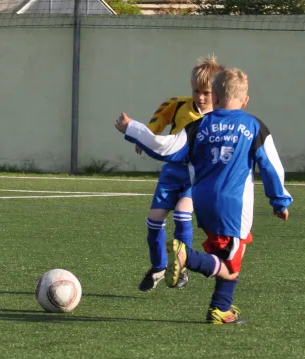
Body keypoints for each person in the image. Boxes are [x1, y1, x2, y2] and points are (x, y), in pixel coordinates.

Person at [115, 68, 292, 324]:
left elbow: (164, 148)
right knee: (231, 267)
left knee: (227, 254)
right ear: (245, 101)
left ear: (216, 98)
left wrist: (133, 128)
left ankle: (220, 309)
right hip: (233, 204)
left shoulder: (198, 126)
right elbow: (271, 166)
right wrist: (279, 201)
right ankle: (187, 257)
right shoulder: (254, 126)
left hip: (202, 201)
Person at [137, 56, 223, 292]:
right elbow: (160, 117)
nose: (201, 97)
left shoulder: (220, 117)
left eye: (206, 92)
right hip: (171, 175)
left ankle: (182, 266)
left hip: (195, 178)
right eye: (197, 91)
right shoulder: (178, 105)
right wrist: (147, 136)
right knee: (154, 222)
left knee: (183, 215)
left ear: (216, 92)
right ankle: (158, 267)